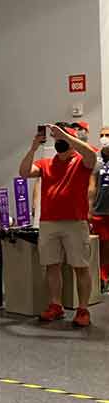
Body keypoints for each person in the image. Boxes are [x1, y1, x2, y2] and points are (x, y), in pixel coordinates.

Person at [19, 123, 96, 327]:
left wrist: (68, 137)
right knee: (51, 265)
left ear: (72, 141)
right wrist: (33, 147)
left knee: (80, 266)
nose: (60, 142)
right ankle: (56, 305)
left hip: (75, 221)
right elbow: (24, 172)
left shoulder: (81, 162)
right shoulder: (46, 163)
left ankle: (83, 308)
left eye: (64, 139)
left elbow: (91, 155)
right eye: (58, 139)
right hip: (49, 222)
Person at [89, 125, 109, 293]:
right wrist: (89, 209)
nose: (104, 138)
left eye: (107, 135)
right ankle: (102, 277)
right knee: (102, 246)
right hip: (99, 211)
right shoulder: (96, 160)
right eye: (102, 135)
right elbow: (92, 186)